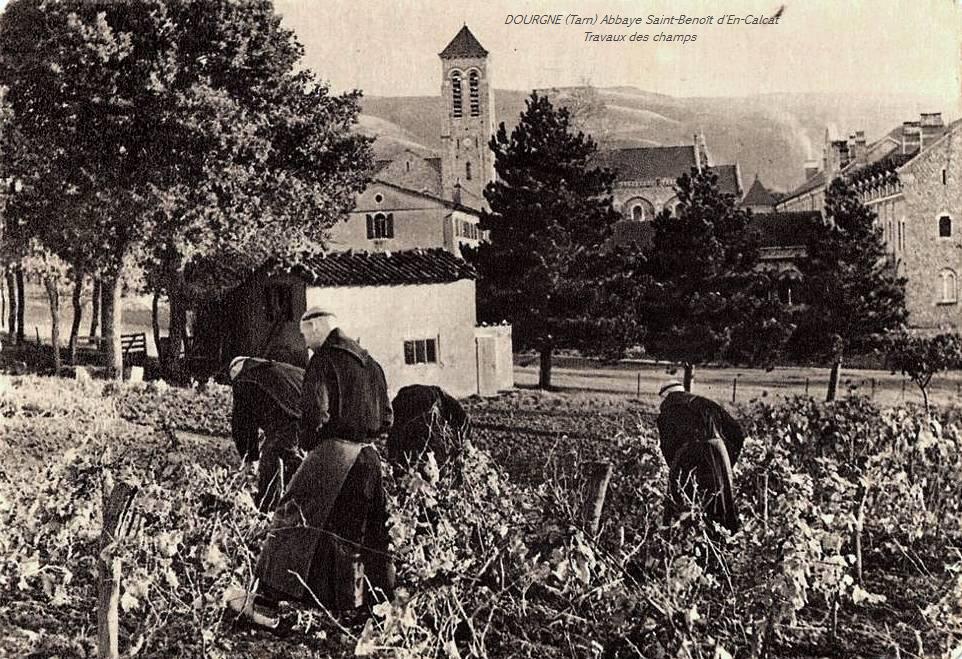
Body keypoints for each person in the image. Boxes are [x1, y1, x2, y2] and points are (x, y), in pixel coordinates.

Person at [229, 308, 394, 629]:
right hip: (370, 457)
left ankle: (267, 603)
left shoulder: (324, 360)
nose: (305, 342)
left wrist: (310, 447)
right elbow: (386, 416)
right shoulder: (371, 363)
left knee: (293, 518)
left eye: (306, 334)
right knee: (366, 533)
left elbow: (315, 413)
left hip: (334, 451)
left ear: (318, 328)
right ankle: (369, 607)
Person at [656, 379, 745, 533]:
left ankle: (686, 537)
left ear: (667, 395)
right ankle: (725, 537)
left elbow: (667, 447)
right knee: (723, 499)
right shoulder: (706, 403)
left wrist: (676, 466)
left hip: (687, 455)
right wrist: (726, 463)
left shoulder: (666, 413)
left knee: (684, 499)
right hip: (717, 451)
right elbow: (737, 432)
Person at [228, 356, 305, 512]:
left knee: (271, 455)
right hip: (310, 414)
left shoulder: (244, 380)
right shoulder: (277, 368)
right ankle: (298, 499)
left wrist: (250, 458)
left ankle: (267, 509)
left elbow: (242, 424)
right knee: (290, 452)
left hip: (290, 417)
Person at [387, 384, 470, 480]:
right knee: (432, 452)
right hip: (425, 405)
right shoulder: (444, 401)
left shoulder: (401, 399)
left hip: (406, 404)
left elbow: (393, 434)